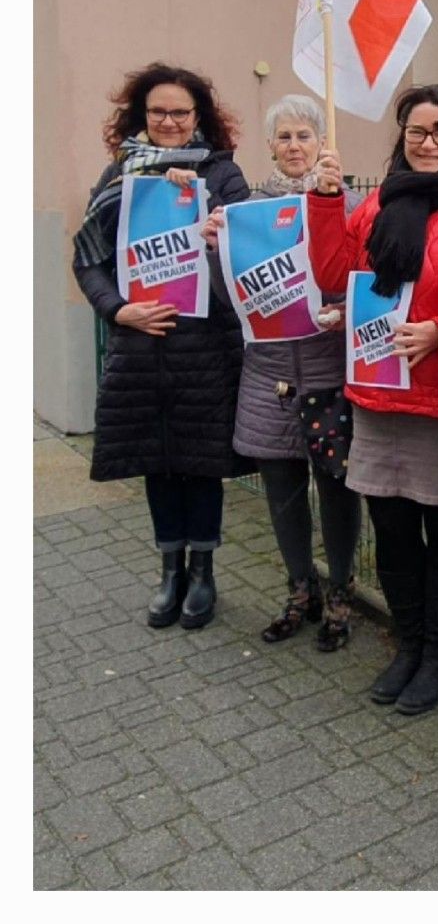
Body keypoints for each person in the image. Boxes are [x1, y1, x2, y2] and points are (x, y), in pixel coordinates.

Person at [307, 85, 438, 715]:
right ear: (402, 138)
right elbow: (335, 273)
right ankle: (408, 644)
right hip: (380, 395)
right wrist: (327, 201)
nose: (431, 142)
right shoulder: (381, 202)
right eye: (418, 131)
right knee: (390, 531)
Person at [69, 65, 252, 628]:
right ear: (141, 116)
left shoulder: (223, 175)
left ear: (199, 117)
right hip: (141, 345)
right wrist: (117, 309)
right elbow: (90, 259)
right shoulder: (118, 175)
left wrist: (221, 231)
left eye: (180, 112)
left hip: (204, 347)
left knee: (200, 462)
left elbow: (249, 256)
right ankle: (169, 569)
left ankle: (203, 573)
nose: (169, 121)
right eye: (158, 112)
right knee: (157, 461)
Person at [213, 94, 363, 652]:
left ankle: (342, 591)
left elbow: (367, 279)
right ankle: (301, 591)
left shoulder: (348, 205)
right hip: (269, 376)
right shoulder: (245, 213)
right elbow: (226, 298)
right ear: (271, 145)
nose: (295, 146)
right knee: (282, 491)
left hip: (329, 370)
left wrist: (344, 310)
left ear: (322, 142)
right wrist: (215, 252)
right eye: (284, 137)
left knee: (337, 489)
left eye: (305, 135)